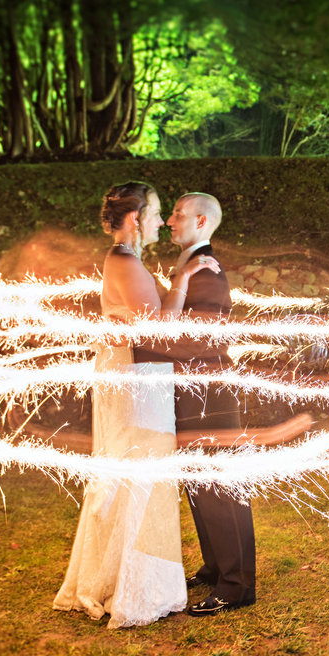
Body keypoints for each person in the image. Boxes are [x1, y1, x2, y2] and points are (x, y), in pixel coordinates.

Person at [53, 182, 219, 628]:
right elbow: (157, 331)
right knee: (143, 471)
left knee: (138, 471)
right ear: (135, 219)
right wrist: (183, 279)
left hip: (135, 374)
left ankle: (131, 576)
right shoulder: (123, 262)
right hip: (137, 379)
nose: (161, 220)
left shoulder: (126, 261)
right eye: (157, 212)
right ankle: (137, 586)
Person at [163, 193, 257, 617]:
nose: (168, 220)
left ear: (201, 222)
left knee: (220, 488)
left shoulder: (206, 274)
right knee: (199, 484)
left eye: (177, 215)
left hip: (208, 392)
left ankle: (236, 586)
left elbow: (199, 339)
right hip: (193, 389)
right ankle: (216, 567)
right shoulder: (190, 268)